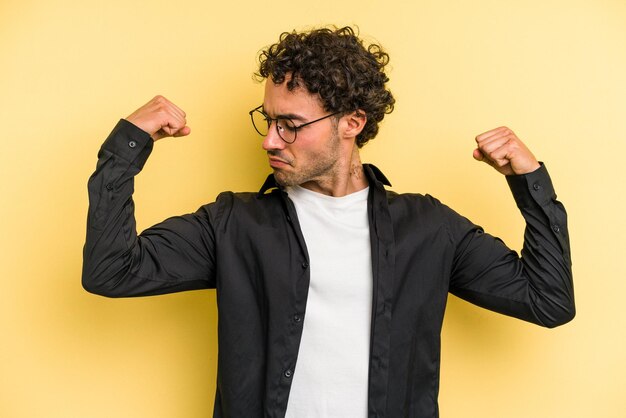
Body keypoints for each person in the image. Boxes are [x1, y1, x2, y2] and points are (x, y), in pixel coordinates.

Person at [82, 26, 575, 418]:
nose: (270, 141)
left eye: (290, 125)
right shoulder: (233, 224)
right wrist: (126, 147)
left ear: (352, 123)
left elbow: (548, 301)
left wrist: (529, 182)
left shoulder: (429, 227)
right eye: (268, 120)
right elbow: (112, 271)